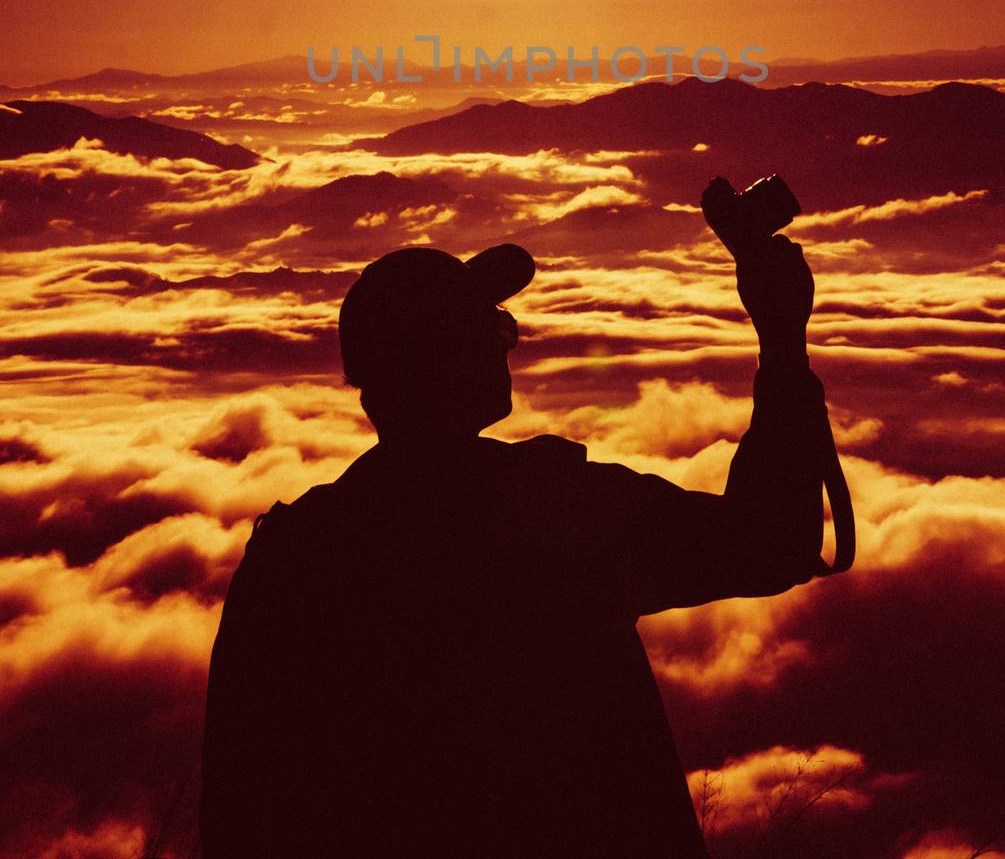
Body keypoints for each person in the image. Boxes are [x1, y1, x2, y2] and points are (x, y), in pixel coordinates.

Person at [200, 210, 843, 859]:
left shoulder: (292, 557)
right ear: (458, 364)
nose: (507, 344)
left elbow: (237, 803)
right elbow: (772, 541)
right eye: (493, 330)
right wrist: (782, 342)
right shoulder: (556, 511)